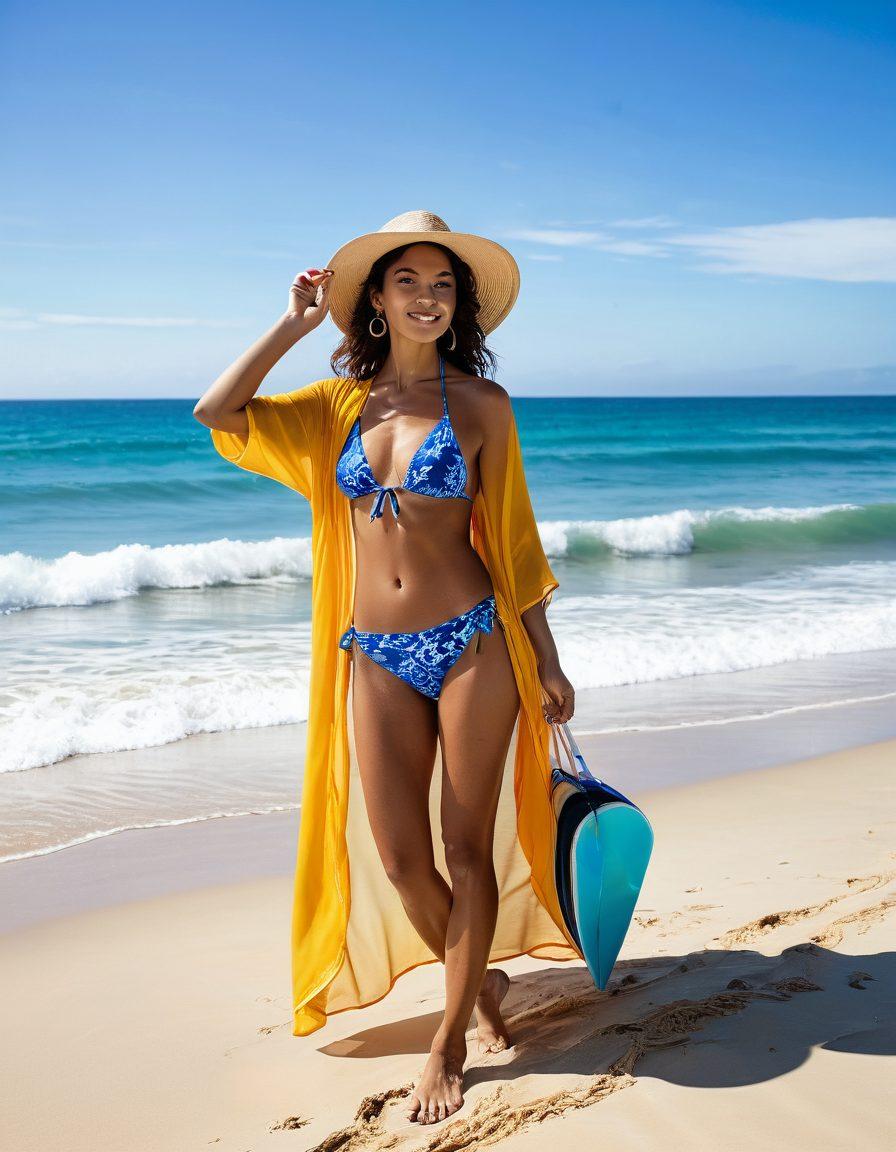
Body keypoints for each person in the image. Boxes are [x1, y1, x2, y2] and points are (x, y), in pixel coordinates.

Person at [194, 211, 576, 1127]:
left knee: (461, 844)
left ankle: (450, 1040)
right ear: (374, 299)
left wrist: (548, 657)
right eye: (407, 281)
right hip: (374, 654)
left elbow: (514, 542)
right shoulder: (338, 409)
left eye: (443, 285)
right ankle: (477, 979)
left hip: (474, 640)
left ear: (459, 304)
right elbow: (218, 413)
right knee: (405, 861)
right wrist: (292, 326)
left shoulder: (482, 407)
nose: (427, 297)